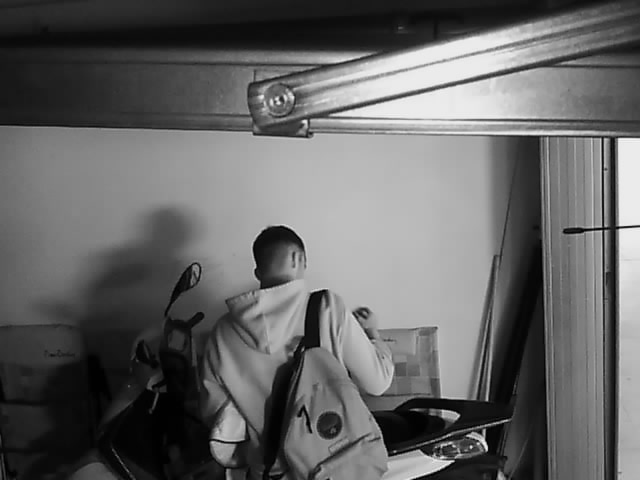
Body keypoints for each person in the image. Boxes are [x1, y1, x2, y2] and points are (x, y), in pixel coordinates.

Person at [199, 225, 395, 480]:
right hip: (335, 467)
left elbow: (217, 420)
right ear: (298, 259)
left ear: (257, 271)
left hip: (269, 472)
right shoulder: (326, 308)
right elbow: (378, 382)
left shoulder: (221, 334)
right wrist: (373, 334)